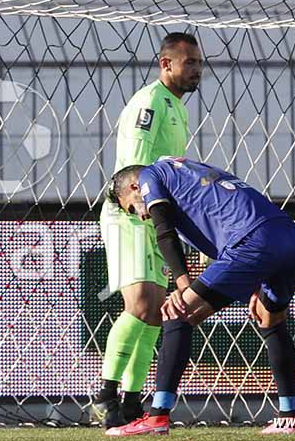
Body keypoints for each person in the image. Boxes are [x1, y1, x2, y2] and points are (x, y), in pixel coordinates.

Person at [104, 157, 295, 436]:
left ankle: (157, 417)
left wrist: (183, 285)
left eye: (132, 206)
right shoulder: (185, 169)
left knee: (176, 312)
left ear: (135, 187)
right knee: (269, 318)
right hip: (290, 237)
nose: (141, 215)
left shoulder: (150, 175)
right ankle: (288, 416)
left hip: (252, 242)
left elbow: (165, 232)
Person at [95, 33, 202, 428]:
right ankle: (105, 393)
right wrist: (143, 210)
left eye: (198, 63)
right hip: (132, 215)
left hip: (157, 215)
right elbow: (134, 172)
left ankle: (131, 400)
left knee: (156, 313)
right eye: (188, 62)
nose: (196, 70)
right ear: (165, 64)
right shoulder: (149, 103)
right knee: (139, 304)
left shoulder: (177, 107)